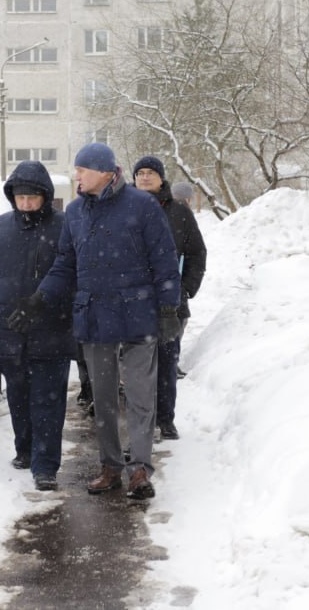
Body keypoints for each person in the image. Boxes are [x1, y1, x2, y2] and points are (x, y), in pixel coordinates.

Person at [10, 142, 181, 500]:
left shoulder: (141, 205)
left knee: (139, 396)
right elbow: (65, 265)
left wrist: (168, 309)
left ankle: (139, 471)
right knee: (102, 398)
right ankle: (111, 466)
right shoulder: (75, 212)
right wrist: (40, 298)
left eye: (81, 170)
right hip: (95, 316)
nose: (77, 176)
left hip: (138, 314)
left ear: (105, 172)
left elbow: (164, 260)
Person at [0, 160, 75, 492]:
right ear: (12, 197)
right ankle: (25, 450)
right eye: (21, 197)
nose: (27, 203)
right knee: (18, 396)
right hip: (8, 332)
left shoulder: (64, 227)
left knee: (47, 400)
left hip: (51, 331)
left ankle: (45, 466)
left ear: (45, 196)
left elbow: (73, 274)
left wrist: (54, 309)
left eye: (33, 197)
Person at [132, 157, 207, 441]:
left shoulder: (179, 212)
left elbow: (197, 252)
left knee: (166, 361)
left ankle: (165, 418)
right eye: (140, 173)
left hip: (170, 303)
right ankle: (142, 420)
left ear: (162, 178)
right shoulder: (122, 209)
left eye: (151, 173)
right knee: (137, 367)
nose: (145, 177)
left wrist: (185, 287)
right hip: (132, 303)